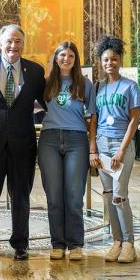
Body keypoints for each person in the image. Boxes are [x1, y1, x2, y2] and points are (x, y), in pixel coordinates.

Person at [0, 24, 45, 261]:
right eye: (9, 41)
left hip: (22, 143)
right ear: (0, 43)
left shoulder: (35, 71)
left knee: (21, 194)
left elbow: (47, 103)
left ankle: (20, 243)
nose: (13, 46)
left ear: (24, 44)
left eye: (18, 41)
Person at [38, 41, 95, 260]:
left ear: (75, 60)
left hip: (76, 140)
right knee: (54, 195)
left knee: (73, 194)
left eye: (71, 56)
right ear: (56, 57)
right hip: (50, 139)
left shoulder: (84, 84)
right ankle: (58, 244)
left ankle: (76, 244)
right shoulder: (46, 83)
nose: (66, 59)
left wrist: (92, 147)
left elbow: (92, 117)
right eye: (62, 55)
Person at [89, 35, 140, 263]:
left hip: (121, 143)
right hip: (102, 143)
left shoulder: (130, 86)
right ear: (100, 62)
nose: (109, 63)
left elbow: (134, 120)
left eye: (113, 59)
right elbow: (93, 119)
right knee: (108, 194)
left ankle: (129, 243)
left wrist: (122, 150)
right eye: (105, 59)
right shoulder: (98, 87)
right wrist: (92, 149)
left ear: (119, 60)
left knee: (120, 195)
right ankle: (116, 240)